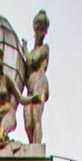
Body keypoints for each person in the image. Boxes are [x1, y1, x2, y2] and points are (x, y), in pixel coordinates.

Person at [20, 10, 51, 146]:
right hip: (30, 87)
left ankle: (36, 146)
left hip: (39, 82)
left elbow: (31, 61)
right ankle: (32, 145)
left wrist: (24, 49)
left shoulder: (44, 48)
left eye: (43, 29)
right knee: (28, 122)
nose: (41, 32)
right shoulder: (31, 52)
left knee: (36, 118)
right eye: (39, 28)